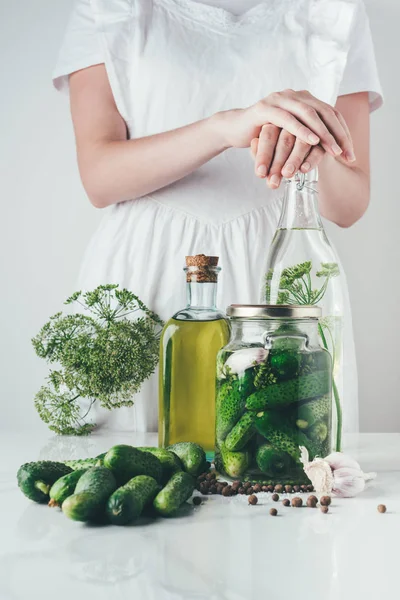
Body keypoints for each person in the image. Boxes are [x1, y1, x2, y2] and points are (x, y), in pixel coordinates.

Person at [53, 0, 382, 433]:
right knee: (129, 470)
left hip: (280, 273)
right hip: (146, 272)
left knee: (279, 463)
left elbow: (349, 205)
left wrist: (312, 140)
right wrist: (224, 129)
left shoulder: (333, 11)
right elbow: (99, 178)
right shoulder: (112, 8)